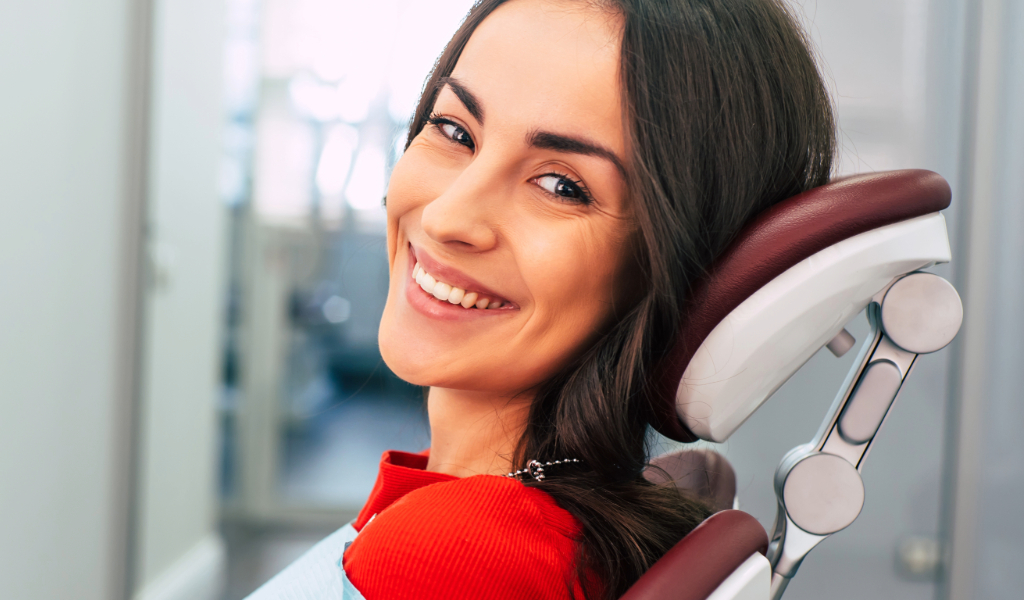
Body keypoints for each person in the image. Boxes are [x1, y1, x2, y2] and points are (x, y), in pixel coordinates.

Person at [245, 0, 835, 598]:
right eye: (455, 131)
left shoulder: (450, 558)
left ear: (680, 268)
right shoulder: (507, 524)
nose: (448, 216)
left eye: (561, 186)